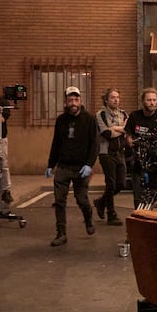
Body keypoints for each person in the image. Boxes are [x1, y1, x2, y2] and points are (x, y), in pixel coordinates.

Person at [45, 86, 99, 247]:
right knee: (59, 201)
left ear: (80, 101)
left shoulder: (89, 119)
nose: (73, 103)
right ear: (66, 102)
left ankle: (88, 220)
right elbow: (56, 143)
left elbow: (94, 145)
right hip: (63, 167)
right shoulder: (61, 120)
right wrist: (50, 165)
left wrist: (89, 164)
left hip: (81, 168)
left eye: (76, 99)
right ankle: (61, 233)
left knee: (81, 199)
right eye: (70, 100)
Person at [125, 87, 157, 208]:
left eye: (154, 100)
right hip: (138, 163)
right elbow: (128, 135)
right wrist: (134, 143)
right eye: (149, 100)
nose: (152, 102)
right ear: (143, 101)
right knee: (139, 197)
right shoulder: (134, 116)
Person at [94, 88, 127, 226]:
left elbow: (128, 129)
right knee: (111, 184)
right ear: (106, 100)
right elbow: (106, 134)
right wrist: (120, 129)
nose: (116, 100)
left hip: (120, 153)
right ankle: (111, 214)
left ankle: (101, 202)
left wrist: (114, 128)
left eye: (117, 97)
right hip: (106, 153)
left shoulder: (123, 114)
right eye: (113, 97)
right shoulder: (100, 114)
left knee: (121, 184)